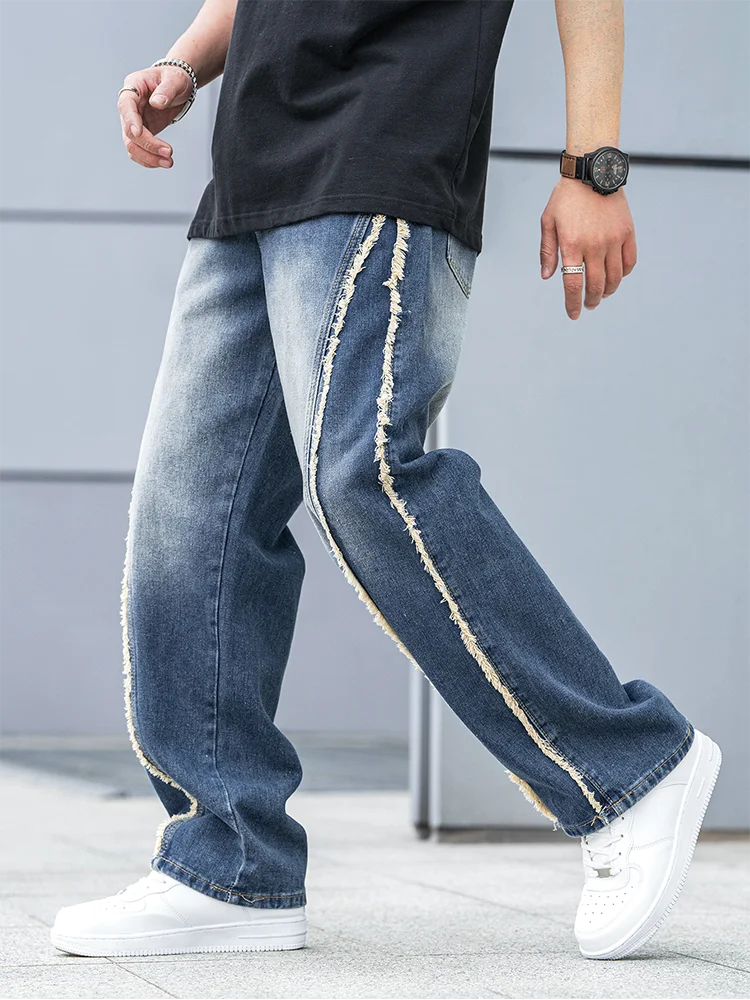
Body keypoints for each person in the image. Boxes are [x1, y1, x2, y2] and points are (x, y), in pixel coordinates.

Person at [50, 0, 721, 963]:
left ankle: (627, 770)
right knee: (188, 515)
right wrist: (186, 63)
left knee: (364, 471)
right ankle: (227, 865)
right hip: (253, 161)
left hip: (384, 137)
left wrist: (593, 166)